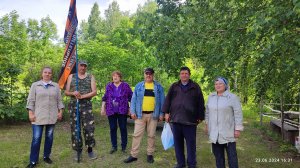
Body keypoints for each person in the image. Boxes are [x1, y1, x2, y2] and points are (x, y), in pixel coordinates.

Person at [163, 66, 205, 168]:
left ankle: (191, 164)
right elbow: (168, 100)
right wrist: (166, 113)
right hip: (176, 120)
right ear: (180, 75)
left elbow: (200, 102)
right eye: (182, 73)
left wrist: (200, 116)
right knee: (178, 144)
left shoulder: (195, 87)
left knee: (191, 144)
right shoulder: (174, 86)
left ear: (189, 75)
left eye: (186, 73)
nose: (184, 75)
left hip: (190, 121)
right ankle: (180, 163)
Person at [124, 68, 165, 164]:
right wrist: (132, 111)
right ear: (144, 75)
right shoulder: (139, 86)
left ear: (153, 75)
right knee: (136, 135)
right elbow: (133, 100)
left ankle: (150, 154)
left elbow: (163, 101)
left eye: (150, 74)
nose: (148, 75)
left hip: (153, 115)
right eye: (147, 73)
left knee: (151, 135)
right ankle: (133, 155)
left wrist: (161, 114)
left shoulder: (158, 87)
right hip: (140, 115)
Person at [26, 66, 64, 168]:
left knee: (49, 138)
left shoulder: (56, 86)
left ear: (51, 74)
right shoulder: (35, 85)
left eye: (49, 73)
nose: (47, 74)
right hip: (38, 117)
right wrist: (30, 113)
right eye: (45, 72)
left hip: (52, 116)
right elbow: (30, 101)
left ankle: (46, 156)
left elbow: (59, 101)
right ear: (42, 74)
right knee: (36, 139)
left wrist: (60, 112)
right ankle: (33, 161)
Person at [205, 77, 243, 168]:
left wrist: (237, 129)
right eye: (216, 84)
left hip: (228, 131)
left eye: (220, 83)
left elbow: (238, 113)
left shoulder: (232, 97)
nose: (218, 85)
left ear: (225, 85)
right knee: (218, 156)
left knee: (232, 156)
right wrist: (207, 125)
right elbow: (207, 112)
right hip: (215, 132)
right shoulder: (211, 97)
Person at [65, 60, 97, 160]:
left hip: (86, 105)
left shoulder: (90, 76)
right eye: (81, 66)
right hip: (74, 105)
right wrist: (73, 93)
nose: (83, 68)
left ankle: (90, 149)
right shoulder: (71, 76)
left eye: (84, 66)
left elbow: (94, 92)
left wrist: (82, 96)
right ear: (78, 66)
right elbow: (66, 92)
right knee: (75, 129)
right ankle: (78, 151)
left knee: (89, 128)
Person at [101, 71, 133, 154]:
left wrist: (131, 109)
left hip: (122, 110)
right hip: (111, 110)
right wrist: (102, 108)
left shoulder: (125, 85)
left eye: (117, 76)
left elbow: (131, 97)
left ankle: (124, 147)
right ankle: (114, 146)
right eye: (114, 76)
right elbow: (105, 97)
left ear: (120, 78)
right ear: (112, 77)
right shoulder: (109, 86)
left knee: (123, 128)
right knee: (113, 128)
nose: (115, 77)